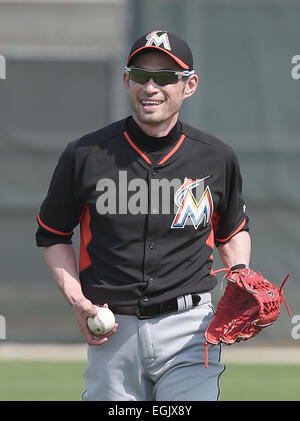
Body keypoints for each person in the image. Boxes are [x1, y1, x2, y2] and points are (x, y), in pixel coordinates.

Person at [36, 30, 251, 401]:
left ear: (190, 85)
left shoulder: (216, 158)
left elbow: (231, 232)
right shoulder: (85, 155)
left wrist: (241, 273)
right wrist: (76, 300)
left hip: (190, 329)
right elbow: (53, 234)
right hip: (111, 330)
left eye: (166, 77)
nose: (151, 86)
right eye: (141, 75)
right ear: (126, 81)